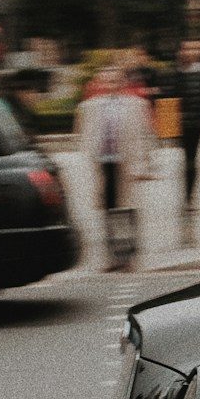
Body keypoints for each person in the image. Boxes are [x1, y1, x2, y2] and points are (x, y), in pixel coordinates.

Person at [75, 67, 156, 271]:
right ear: (101, 83)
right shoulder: (89, 107)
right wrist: (88, 157)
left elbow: (146, 136)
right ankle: (112, 256)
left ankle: (129, 254)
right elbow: (82, 134)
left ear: (122, 83)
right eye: (107, 81)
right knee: (107, 210)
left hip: (128, 164)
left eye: (115, 81)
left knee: (128, 211)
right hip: (104, 164)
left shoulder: (138, 105)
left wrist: (146, 164)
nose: (111, 85)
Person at [164, 39, 200, 215]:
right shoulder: (177, 72)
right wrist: (168, 127)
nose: (192, 52)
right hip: (181, 122)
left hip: (197, 123)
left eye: (196, 48)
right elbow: (169, 98)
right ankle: (187, 196)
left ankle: (189, 197)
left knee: (191, 160)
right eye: (188, 49)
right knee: (186, 159)